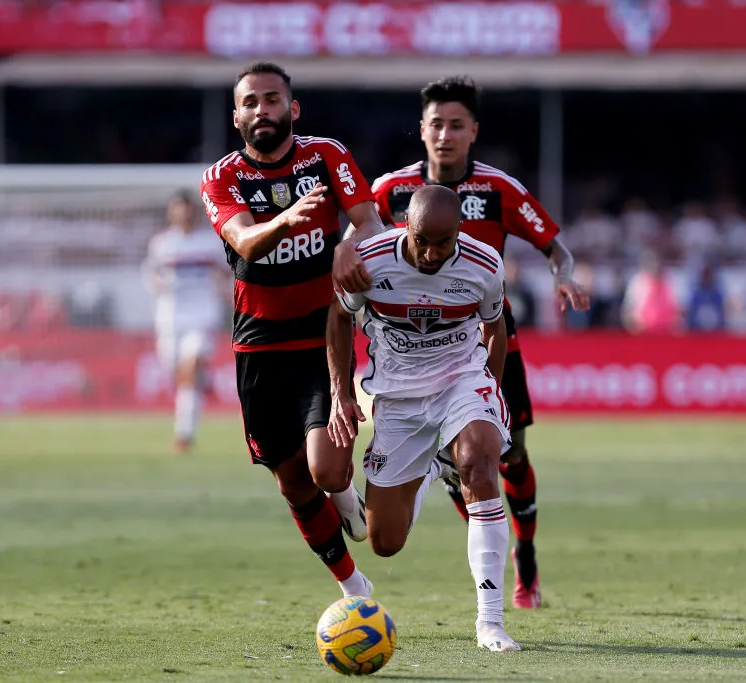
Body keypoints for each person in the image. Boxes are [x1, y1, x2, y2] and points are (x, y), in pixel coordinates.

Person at [372, 76, 588, 610]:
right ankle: (490, 551)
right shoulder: (391, 191)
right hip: (416, 351)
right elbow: (360, 250)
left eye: (456, 125)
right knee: (463, 468)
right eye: (436, 125)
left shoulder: (498, 189)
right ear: (422, 130)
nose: (445, 135)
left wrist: (564, 274)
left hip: (489, 339)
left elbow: (555, 246)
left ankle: (525, 552)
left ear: (473, 131)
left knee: (512, 455)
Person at [199, 62, 385, 598]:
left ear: (293, 108)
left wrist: (348, 244)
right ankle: (355, 588)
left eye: (272, 99)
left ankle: (343, 492)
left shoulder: (326, 155)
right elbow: (245, 243)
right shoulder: (221, 177)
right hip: (259, 346)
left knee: (325, 471)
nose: (262, 109)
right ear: (237, 117)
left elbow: (370, 222)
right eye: (250, 102)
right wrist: (284, 220)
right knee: (293, 484)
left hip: (322, 338)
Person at [327, 185, 519, 652]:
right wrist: (340, 392)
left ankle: (490, 622)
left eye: (443, 243)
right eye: (421, 241)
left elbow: (495, 327)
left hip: (461, 380)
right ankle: (434, 466)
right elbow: (338, 318)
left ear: (459, 232)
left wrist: (488, 396)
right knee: (384, 542)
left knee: (479, 462)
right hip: (397, 398)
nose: (431, 254)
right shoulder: (370, 260)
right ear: (405, 227)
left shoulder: (484, 263)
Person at [142, 190, 230, 452]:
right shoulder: (161, 244)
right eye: (179, 208)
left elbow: (226, 273)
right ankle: (204, 383)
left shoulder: (211, 242)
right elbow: (150, 275)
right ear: (172, 212)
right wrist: (157, 283)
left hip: (202, 317)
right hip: (170, 319)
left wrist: (223, 286)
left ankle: (184, 434)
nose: (184, 213)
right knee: (177, 375)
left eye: (188, 208)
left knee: (190, 370)